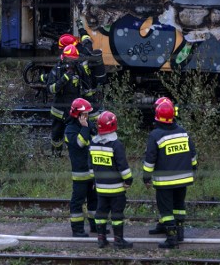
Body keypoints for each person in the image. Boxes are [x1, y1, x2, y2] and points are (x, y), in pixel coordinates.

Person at [142, 97, 196, 249]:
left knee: (166, 209)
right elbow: (193, 154)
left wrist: (146, 176)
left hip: (165, 181)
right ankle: (179, 233)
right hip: (184, 178)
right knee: (179, 206)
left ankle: (171, 239)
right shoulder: (183, 132)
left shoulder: (155, 135)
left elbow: (150, 160)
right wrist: (194, 168)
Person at [90, 111, 134, 249]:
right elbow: (123, 167)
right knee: (117, 214)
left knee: (101, 213)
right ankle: (118, 240)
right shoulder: (116, 145)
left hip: (101, 188)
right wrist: (128, 181)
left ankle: (101, 239)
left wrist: (95, 181)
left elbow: (91, 166)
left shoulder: (93, 143)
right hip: (116, 189)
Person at [42, 44, 94, 152]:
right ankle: (56, 155)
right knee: (57, 134)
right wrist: (64, 79)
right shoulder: (57, 70)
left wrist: (90, 105)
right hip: (59, 110)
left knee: (78, 132)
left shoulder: (79, 70)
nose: (71, 63)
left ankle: (77, 153)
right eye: (69, 60)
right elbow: (51, 89)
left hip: (75, 110)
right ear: (64, 59)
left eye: (74, 60)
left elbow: (87, 87)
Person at [64, 97, 98, 237]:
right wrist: (85, 128)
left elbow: (96, 138)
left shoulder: (87, 124)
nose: (87, 117)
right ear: (77, 115)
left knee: (94, 200)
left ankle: (96, 226)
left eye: (87, 114)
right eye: (84, 114)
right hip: (80, 173)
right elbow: (80, 144)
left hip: (92, 172)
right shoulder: (70, 130)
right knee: (78, 201)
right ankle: (77, 229)